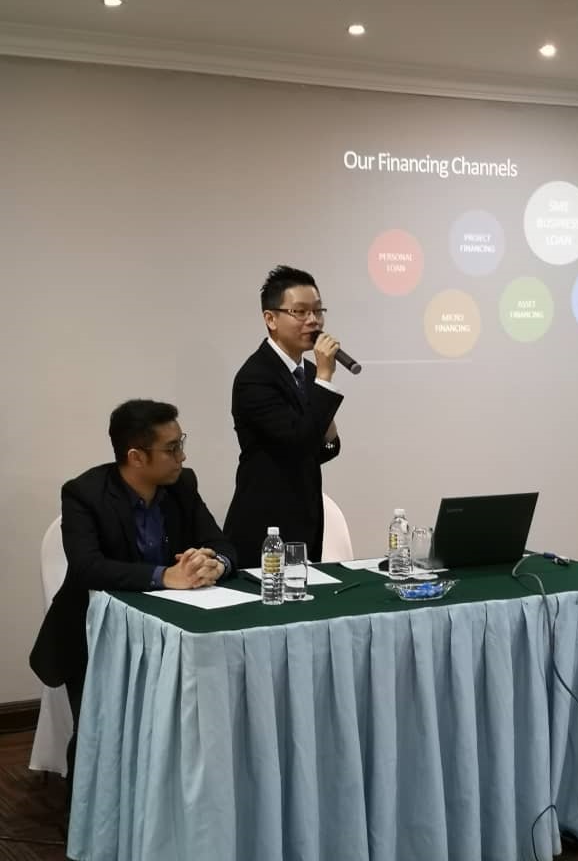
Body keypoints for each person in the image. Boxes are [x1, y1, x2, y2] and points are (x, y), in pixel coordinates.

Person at [30, 399, 236, 796]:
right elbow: (88, 567)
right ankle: (87, 815)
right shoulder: (84, 494)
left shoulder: (182, 485)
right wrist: (164, 576)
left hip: (167, 632)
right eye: (172, 448)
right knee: (100, 734)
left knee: (183, 727)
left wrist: (215, 564)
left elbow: (221, 542)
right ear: (136, 457)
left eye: (181, 443)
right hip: (93, 635)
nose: (182, 456)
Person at [223, 265, 344, 565]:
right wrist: (325, 380)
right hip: (265, 524)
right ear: (271, 319)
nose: (313, 320)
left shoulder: (310, 372)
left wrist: (321, 391)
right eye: (300, 312)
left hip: (306, 520)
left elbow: (327, 448)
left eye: (318, 311)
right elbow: (298, 443)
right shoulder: (255, 377)